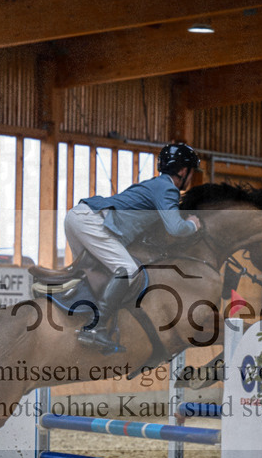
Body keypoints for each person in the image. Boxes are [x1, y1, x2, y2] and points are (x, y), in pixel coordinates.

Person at [64, 142, 203, 353]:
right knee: (128, 270)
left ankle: (76, 318)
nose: (191, 176)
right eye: (191, 172)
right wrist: (193, 224)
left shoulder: (152, 185)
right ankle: (95, 328)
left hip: (77, 217)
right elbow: (175, 228)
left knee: (94, 272)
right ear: (183, 171)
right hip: (90, 221)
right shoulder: (168, 189)